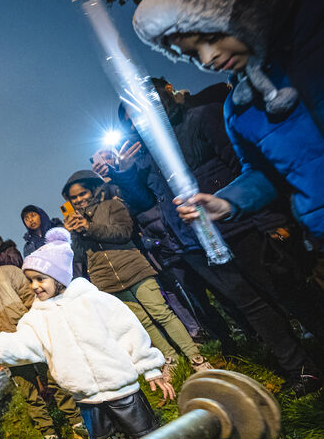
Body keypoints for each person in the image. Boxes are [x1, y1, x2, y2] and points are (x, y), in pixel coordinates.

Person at [0, 228, 202, 439]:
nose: (34, 286)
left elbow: (129, 332)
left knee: (148, 438)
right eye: (31, 280)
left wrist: (150, 368)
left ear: (59, 276)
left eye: (40, 279)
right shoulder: (37, 316)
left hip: (120, 388)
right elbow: (25, 342)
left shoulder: (94, 301)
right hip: (87, 396)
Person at [106, 105, 322, 396]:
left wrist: (269, 219)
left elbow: (244, 167)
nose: (137, 122)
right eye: (130, 120)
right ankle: (301, 369)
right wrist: (124, 173)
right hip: (194, 241)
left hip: (240, 225)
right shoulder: (141, 156)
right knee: (251, 305)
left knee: (289, 291)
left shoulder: (198, 118)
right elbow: (144, 203)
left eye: (139, 111)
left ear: (160, 96)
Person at [132, 0, 324, 241]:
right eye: (192, 54)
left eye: (212, 37)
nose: (207, 59)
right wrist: (227, 202)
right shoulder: (239, 110)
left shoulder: (314, 48)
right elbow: (268, 172)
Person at [62, 170, 212, 379]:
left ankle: (196, 358)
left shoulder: (112, 206)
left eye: (82, 193)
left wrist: (89, 226)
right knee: (142, 323)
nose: (79, 200)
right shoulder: (75, 222)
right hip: (106, 280)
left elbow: (123, 233)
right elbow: (79, 256)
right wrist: (73, 233)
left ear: (93, 190)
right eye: (74, 197)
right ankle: (171, 360)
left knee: (161, 314)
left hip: (134, 269)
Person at [0, 233, 86, 439]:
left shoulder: (10, 272)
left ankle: (76, 421)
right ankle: (49, 433)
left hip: (32, 337)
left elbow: (32, 301)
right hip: (8, 347)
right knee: (29, 392)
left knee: (54, 379)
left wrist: (42, 330)